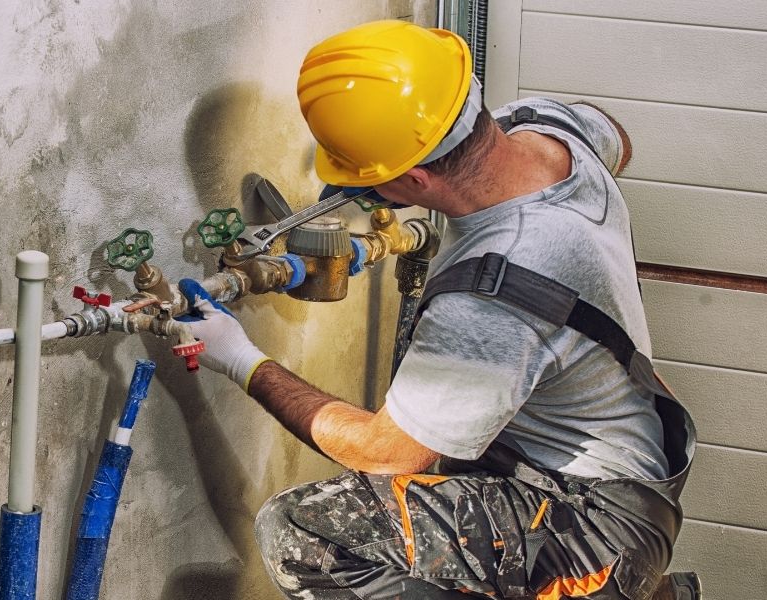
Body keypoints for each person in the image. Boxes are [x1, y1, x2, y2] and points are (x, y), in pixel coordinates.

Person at [178, 20, 701, 600]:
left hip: (592, 527)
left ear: (415, 178)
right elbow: (616, 136)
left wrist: (241, 360)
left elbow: (386, 453)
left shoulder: (488, 300)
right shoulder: (547, 127)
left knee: (303, 534)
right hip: (589, 460)